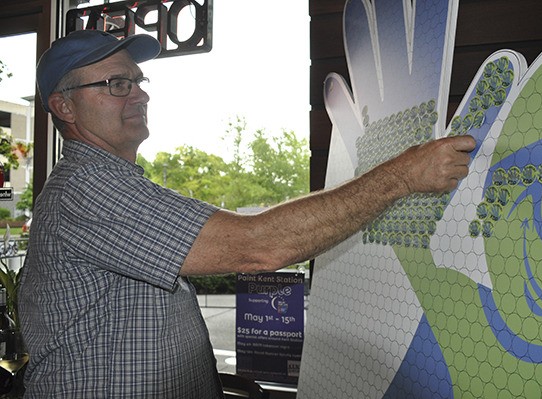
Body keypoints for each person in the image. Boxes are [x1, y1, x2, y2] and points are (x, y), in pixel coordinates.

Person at [19, 29, 475, 398]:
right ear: (64, 106)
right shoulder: (87, 188)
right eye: (117, 84)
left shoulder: (118, 184)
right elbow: (257, 244)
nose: (140, 95)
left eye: (139, 82)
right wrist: (404, 175)